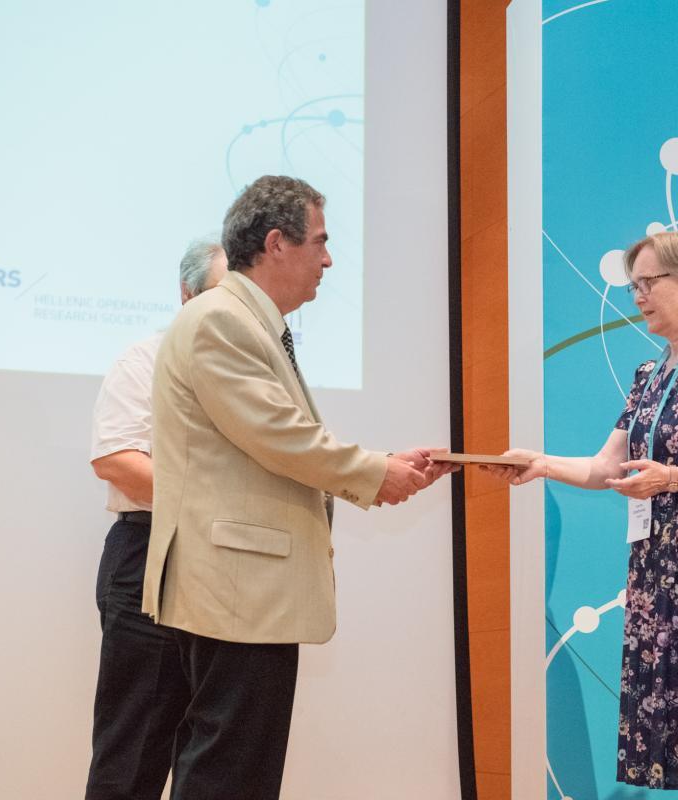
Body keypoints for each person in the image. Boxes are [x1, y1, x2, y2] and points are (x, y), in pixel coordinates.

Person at [141, 175, 453, 800]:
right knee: (229, 773)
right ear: (276, 244)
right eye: (320, 242)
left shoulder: (247, 322)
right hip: (239, 589)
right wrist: (377, 473)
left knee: (236, 768)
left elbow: (273, 439)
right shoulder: (221, 320)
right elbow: (279, 437)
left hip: (243, 589)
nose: (329, 260)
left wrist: (384, 463)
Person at [487, 232, 678, 798]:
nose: (638, 296)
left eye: (648, 283)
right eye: (633, 286)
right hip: (659, 568)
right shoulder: (649, 375)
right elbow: (606, 468)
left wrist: (672, 477)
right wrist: (538, 463)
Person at [85, 238, 228, 800]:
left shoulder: (259, 374)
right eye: (221, 295)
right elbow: (116, 460)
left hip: (229, 567)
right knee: (132, 757)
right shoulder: (144, 361)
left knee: (214, 757)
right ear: (187, 294)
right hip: (152, 557)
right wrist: (218, 503)